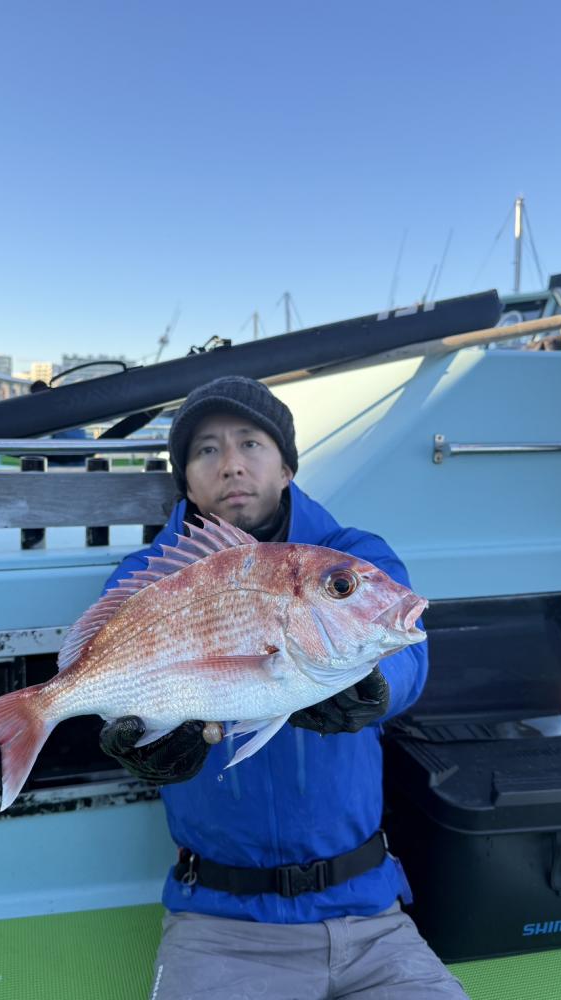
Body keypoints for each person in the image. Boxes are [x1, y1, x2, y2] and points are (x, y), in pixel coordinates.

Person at [98, 376, 468, 999]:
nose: (231, 463)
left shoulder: (350, 558)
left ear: (287, 466)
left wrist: (376, 687)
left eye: (251, 442)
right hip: (216, 926)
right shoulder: (146, 580)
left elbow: (409, 649)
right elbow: (115, 678)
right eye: (206, 450)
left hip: (371, 919)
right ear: (185, 481)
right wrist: (137, 743)